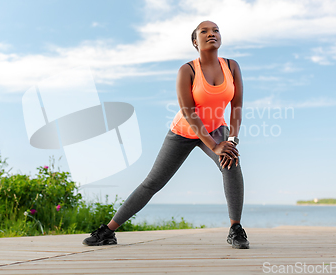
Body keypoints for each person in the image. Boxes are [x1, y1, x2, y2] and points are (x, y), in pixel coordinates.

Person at [82, 21, 249, 249]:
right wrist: (214, 146)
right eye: (204, 31)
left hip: (216, 128)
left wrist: (231, 140)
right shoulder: (187, 70)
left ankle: (236, 230)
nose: (212, 34)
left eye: (216, 30)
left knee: (231, 164)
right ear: (195, 42)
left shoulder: (231, 66)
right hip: (184, 131)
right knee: (153, 182)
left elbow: (237, 106)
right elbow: (189, 113)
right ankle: (108, 231)